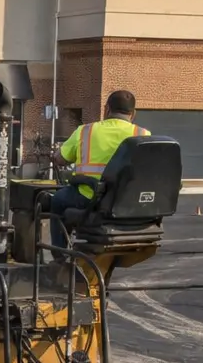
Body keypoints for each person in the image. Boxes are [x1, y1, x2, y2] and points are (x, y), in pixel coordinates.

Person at [49, 90, 151, 246]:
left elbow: (60, 158)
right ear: (133, 113)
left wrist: (56, 157)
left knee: (56, 201)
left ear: (106, 109)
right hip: (126, 201)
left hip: (89, 198)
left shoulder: (85, 131)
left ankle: (60, 255)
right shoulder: (144, 134)